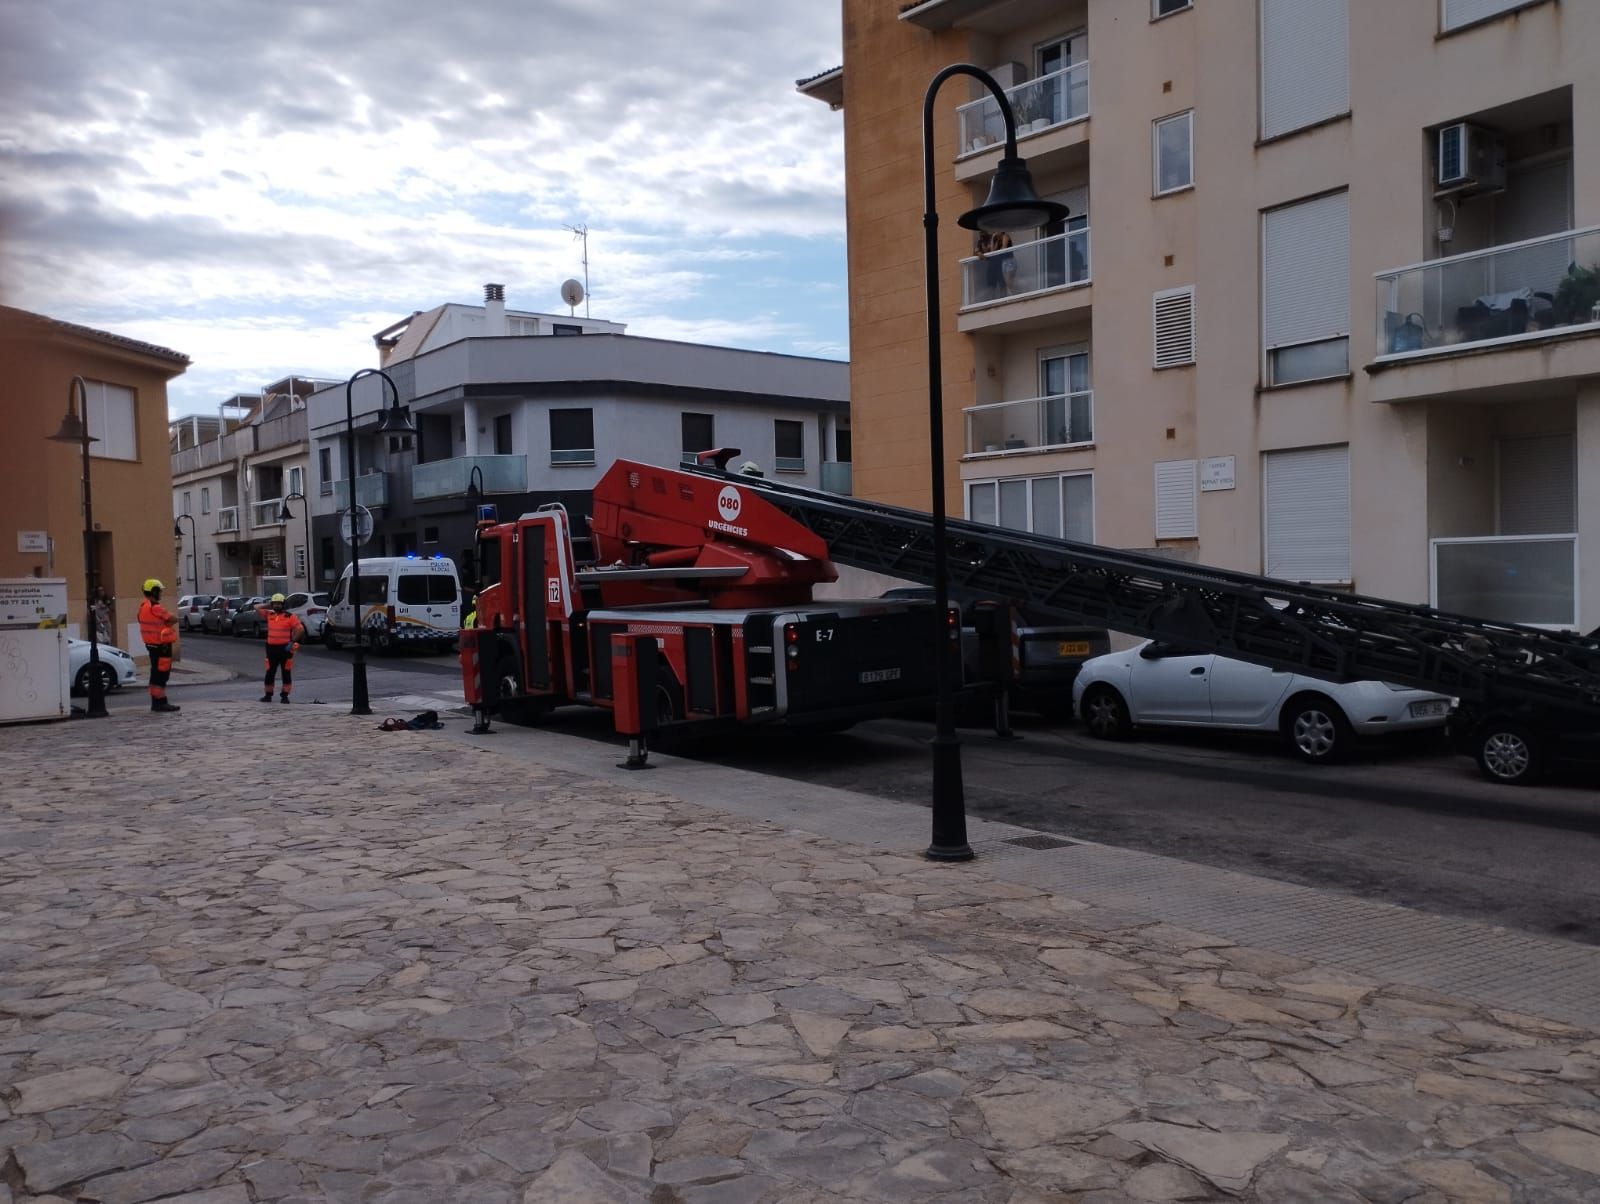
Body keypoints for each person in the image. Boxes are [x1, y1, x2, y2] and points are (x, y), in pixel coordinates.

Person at [137, 579, 181, 713]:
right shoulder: (155, 607)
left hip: (151, 645)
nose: (161, 593)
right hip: (161, 646)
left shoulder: (143, 606)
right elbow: (173, 618)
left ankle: (158, 702)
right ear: (154, 591)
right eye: (159, 590)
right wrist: (168, 622)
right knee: (161, 675)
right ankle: (159, 703)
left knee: (156, 673)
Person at [261, 593, 305, 703]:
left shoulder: (290, 617)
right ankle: (268, 695)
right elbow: (256, 607)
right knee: (270, 672)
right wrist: (269, 605)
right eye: (274, 604)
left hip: (286, 649)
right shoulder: (269, 615)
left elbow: (300, 629)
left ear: (283, 604)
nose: (277, 606)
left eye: (279, 604)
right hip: (271, 649)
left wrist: (293, 641)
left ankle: (285, 696)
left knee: (286, 672)